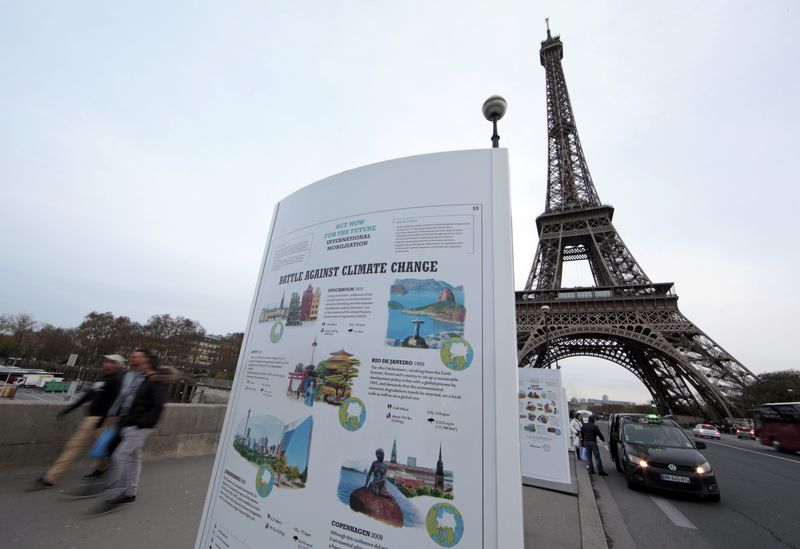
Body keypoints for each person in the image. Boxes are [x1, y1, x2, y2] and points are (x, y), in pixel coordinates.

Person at [90, 349, 174, 515]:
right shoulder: (145, 379)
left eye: (139, 359)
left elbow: (157, 407)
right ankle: (130, 492)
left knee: (119, 456)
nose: (135, 362)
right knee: (134, 458)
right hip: (132, 423)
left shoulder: (156, 381)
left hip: (139, 426)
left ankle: (116, 491)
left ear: (147, 362)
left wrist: (140, 423)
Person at [31, 355, 125, 489]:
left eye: (111, 362)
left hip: (100, 420)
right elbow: (89, 395)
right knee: (92, 447)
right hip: (92, 418)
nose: (107, 364)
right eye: (106, 361)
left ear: (118, 365)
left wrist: (102, 420)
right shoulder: (102, 376)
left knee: (76, 447)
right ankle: (102, 467)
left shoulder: (117, 380)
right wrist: (70, 408)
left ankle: (50, 477)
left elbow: (115, 402)